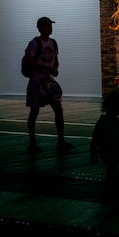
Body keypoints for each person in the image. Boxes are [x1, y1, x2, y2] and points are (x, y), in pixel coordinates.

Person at [24, 16, 75, 154]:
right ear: (40, 28)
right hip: (37, 80)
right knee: (34, 111)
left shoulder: (53, 42)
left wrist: (55, 69)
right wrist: (44, 67)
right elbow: (29, 61)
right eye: (47, 25)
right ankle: (32, 143)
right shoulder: (35, 43)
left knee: (58, 108)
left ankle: (61, 141)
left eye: (50, 25)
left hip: (49, 80)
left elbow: (55, 60)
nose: (50, 28)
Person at [90, 90, 119, 203]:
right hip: (109, 151)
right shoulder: (114, 122)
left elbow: (96, 139)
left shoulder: (103, 121)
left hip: (111, 151)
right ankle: (111, 190)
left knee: (112, 170)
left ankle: (110, 190)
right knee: (113, 170)